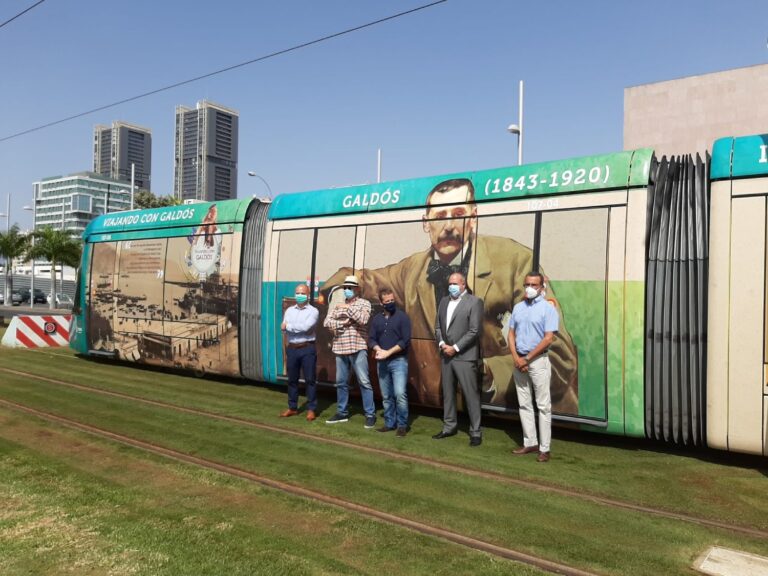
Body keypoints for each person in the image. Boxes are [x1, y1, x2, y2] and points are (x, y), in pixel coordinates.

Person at [323, 178, 578, 413]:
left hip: (512, 409)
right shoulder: (411, 269)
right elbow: (361, 277)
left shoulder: (515, 260)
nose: (448, 226)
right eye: (440, 216)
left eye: (458, 214)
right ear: (426, 223)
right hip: (440, 404)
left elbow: (559, 355)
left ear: (474, 218)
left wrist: (487, 375)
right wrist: (340, 293)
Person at [508, 272, 558, 463]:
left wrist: (527, 358)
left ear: (541, 286)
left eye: (534, 285)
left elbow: (548, 338)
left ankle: (545, 448)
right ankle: (530, 442)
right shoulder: (518, 307)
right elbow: (511, 334)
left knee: (543, 406)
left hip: (537, 361)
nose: (529, 287)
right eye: (527, 284)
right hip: (519, 361)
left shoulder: (548, 309)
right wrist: (516, 358)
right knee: (524, 403)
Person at [432, 272, 484, 447]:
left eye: (455, 283)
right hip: (446, 355)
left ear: (463, 285)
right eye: (450, 283)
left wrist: (455, 348)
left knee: (470, 395)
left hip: (464, 356)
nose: (451, 286)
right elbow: (438, 326)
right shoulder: (444, 301)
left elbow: (474, 330)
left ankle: (475, 432)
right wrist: (441, 344)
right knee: (448, 394)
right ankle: (449, 426)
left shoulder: (474, 302)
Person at [323, 275, 377, 427]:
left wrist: (347, 309)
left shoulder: (364, 303)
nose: (347, 290)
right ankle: (342, 412)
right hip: (340, 347)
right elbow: (327, 322)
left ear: (357, 289)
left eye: (350, 287)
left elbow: (363, 320)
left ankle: (370, 414)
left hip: (357, 347)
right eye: (345, 287)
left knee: (364, 382)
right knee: (341, 382)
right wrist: (343, 323)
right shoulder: (337, 304)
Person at [369, 287, 412, 437]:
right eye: (387, 301)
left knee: (400, 394)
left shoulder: (402, 317)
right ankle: (389, 423)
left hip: (398, 361)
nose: (390, 303)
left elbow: (405, 341)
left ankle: (402, 425)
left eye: (392, 300)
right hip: (382, 363)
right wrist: (378, 349)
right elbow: (372, 339)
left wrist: (388, 352)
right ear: (381, 303)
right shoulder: (377, 319)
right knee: (386, 395)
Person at [280, 283, 319, 421]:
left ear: (308, 295)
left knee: (310, 380)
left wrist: (289, 326)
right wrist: (289, 327)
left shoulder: (313, 311)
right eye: (297, 293)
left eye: (302, 293)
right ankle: (292, 408)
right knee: (292, 380)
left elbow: (306, 328)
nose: (299, 295)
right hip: (292, 348)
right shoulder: (289, 310)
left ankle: (311, 409)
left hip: (307, 348)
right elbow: (282, 328)